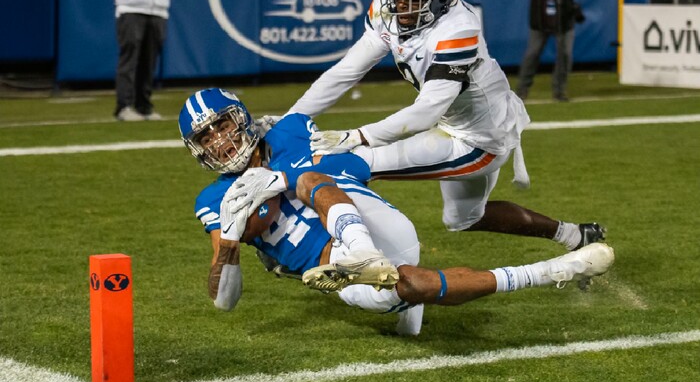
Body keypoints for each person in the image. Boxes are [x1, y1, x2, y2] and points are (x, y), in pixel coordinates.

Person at [178, 89, 615, 336]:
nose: (220, 141)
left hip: (366, 224)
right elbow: (223, 300)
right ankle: (557, 268)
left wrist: (281, 178)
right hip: (327, 264)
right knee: (413, 286)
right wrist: (231, 239)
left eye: (223, 125)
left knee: (311, 180)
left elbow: (339, 165)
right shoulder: (214, 201)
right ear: (198, 152)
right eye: (207, 136)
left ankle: (363, 255)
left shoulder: (290, 132)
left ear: (243, 119)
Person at [278, 0, 603, 253]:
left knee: (349, 163)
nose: (398, 6)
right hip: (454, 122)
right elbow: (347, 71)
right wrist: (290, 120)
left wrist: (359, 135)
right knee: (462, 218)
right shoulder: (390, 12)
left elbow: (426, 112)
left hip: (479, 140)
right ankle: (575, 234)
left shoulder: (458, 30)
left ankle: (344, 253)